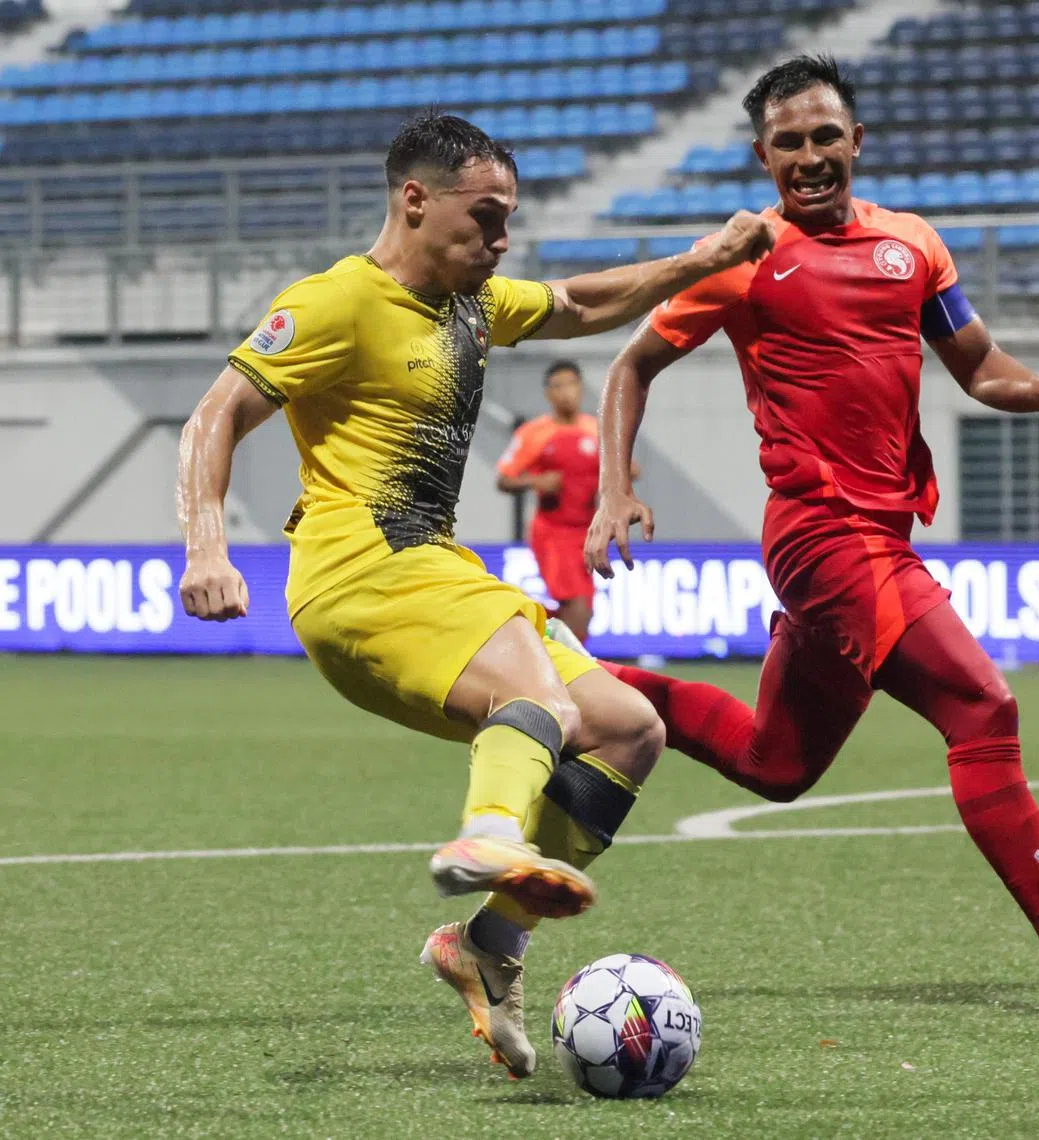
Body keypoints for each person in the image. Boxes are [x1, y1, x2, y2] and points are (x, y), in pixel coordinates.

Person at [176, 110, 774, 1078]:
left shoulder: (473, 301)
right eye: (485, 217)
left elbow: (582, 303)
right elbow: (217, 412)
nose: (501, 241)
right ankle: (491, 836)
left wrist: (703, 258)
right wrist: (208, 545)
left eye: (509, 221)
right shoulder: (335, 302)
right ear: (415, 199)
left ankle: (488, 947)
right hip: (359, 571)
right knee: (533, 696)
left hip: (436, 566)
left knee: (626, 728)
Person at [583, 56, 1039, 1015]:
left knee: (775, 764)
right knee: (984, 709)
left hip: (880, 531)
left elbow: (976, 366)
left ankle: (576, 682)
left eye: (825, 137)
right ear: (763, 157)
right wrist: (614, 489)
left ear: (856, 142)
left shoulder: (913, 245)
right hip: (823, 533)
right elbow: (632, 366)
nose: (810, 157)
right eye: (789, 143)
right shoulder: (741, 260)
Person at [496, 360, 636, 644]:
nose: (567, 393)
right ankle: (568, 671)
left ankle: (522, 629)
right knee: (578, 608)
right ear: (548, 393)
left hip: (586, 533)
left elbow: (631, 469)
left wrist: (612, 479)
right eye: (559, 386)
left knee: (582, 611)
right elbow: (504, 479)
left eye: (572, 384)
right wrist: (535, 481)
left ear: (582, 388)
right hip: (552, 533)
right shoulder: (534, 433)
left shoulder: (596, 430)